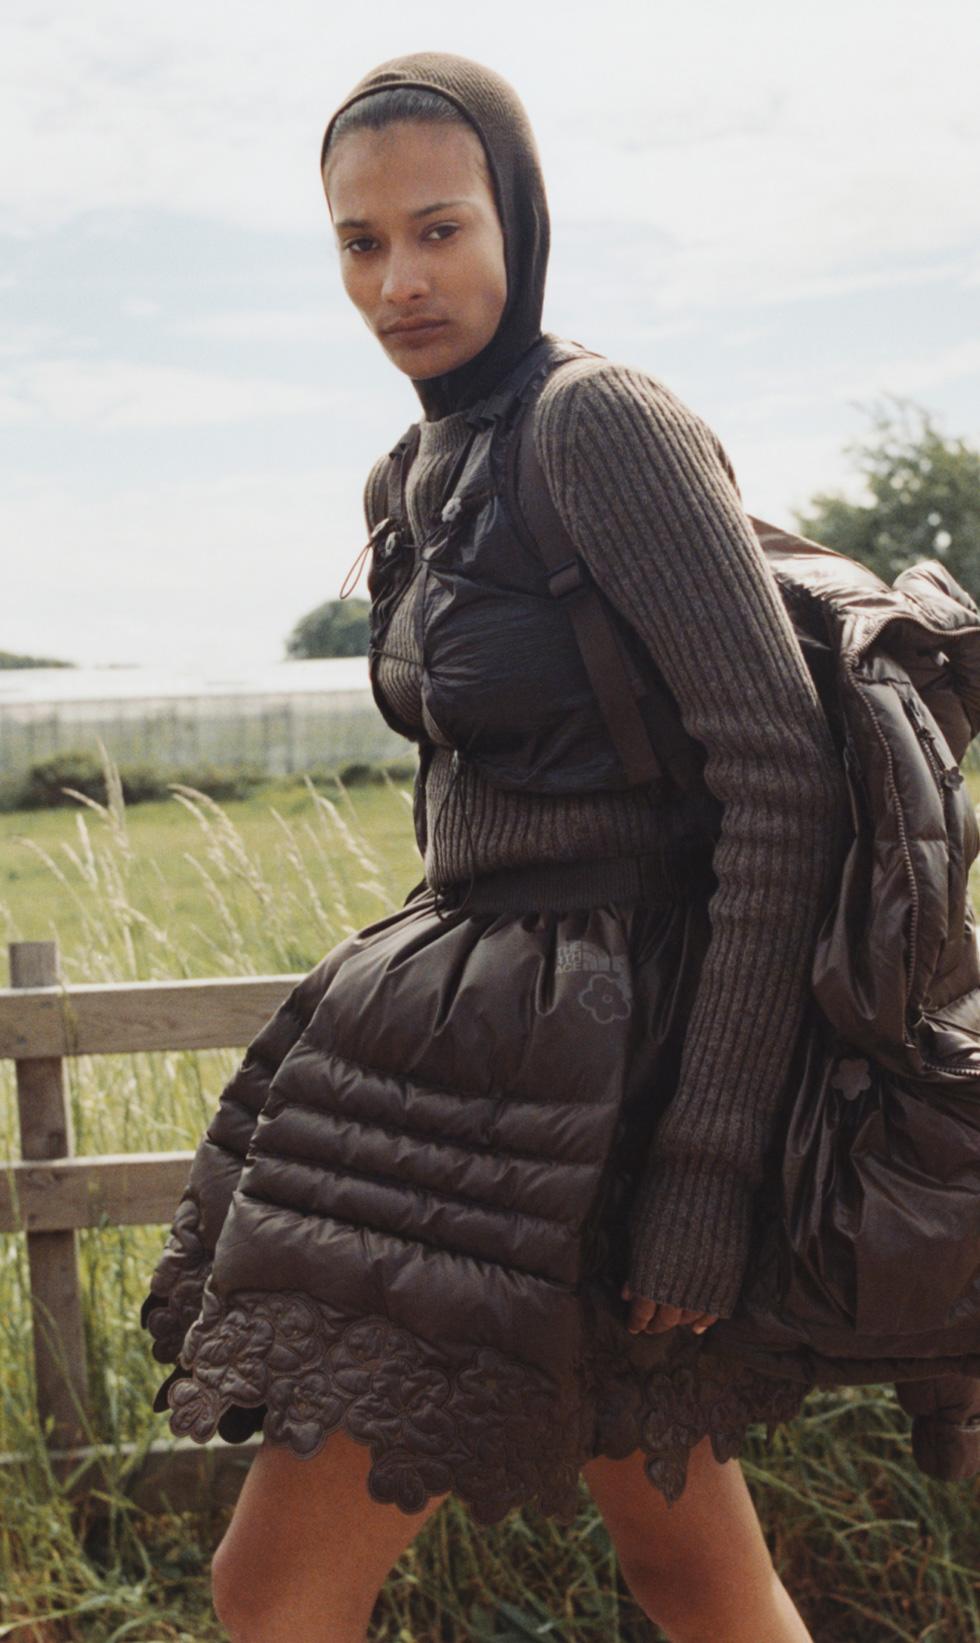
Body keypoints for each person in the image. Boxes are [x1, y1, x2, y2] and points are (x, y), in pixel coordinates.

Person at [140, 50, 852, 1643]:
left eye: (439, 229)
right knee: (694, 1570)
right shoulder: (426, 462)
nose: (400, 280)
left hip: (612, 1088)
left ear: (521, 222)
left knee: (272, 1592)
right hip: (497, 1083)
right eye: (359, 242)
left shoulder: (598, 425)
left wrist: (703, 1163)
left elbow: (780, 778)